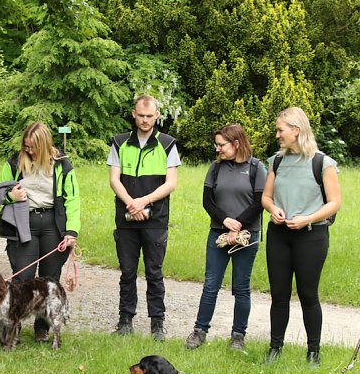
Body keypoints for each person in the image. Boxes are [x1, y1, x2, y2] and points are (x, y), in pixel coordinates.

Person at [0, 122, 80, 342]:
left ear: (44, 145)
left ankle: (42, 328)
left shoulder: (62, 164)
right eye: (26, 147)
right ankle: (12, 328)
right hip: (23, 222)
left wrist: (71, 230)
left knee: (49, 279)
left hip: (53, 224)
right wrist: (11, 197)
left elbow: (73, 199)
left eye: (33, 147)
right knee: (22, 278)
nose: (29, 151)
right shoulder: (15, 163)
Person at [261, 106, 341, 366]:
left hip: (311, 236)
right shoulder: (277, 161)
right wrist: (274, 210)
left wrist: (307, 218)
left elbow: (334, 203)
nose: (277, 135)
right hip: (279, 235)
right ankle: (275, 349)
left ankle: (313, 352)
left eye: (280, 130)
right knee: (279, 294)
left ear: (296, 131)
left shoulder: (322, 163)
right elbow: (266, 197)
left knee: (308, 294)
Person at [185, 124, 267, 351]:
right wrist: (224, 221)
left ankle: (238, 336)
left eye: (222, 145)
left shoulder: (256, 168)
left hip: (246, 236)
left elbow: (260, 201)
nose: (218, 149)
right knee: (211, 284)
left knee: (241, 287)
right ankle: (199, 331)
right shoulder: (215, 168)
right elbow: (207, 201)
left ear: (237, 143)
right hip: (218, 233)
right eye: (217, 144)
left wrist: (238, 223)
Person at [108, 95, 181, 341]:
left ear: (157, 116)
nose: (145, 120)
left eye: (150, 116)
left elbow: (171, 184)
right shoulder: (119, 143)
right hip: (125, 219)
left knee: (154, 272)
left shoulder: (168, 144)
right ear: (134, 114)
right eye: (141, 116)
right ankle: (125, 320)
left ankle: (157, 323)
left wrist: (143, 201)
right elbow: (114, 179)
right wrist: (131, 202)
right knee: (127, 271)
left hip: (156, 219)